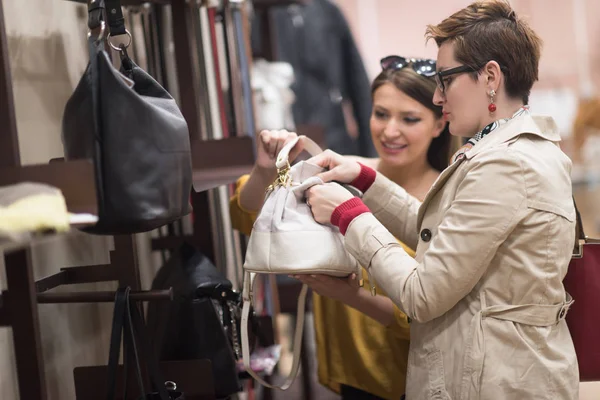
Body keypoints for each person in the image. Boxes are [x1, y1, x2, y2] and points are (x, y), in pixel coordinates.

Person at [301, 1, 580, 399]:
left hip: (497, 382)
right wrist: (365, 179)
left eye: (445, 79)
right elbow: (438, 234)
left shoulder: (507, 163)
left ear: (490, 77)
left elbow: (422, 295)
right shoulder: (500, 150)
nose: (436, 96)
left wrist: (348, 214)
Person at [229, 56, 456, 399]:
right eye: (381, 114)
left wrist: (349, 295)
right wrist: (265, 168)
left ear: (440, 124)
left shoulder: (448, 201)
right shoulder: (341, 175)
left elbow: (433, 312)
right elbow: (248, 212)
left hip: (426, 379)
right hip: (355, 378)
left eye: (409, 119)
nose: (390, 131)